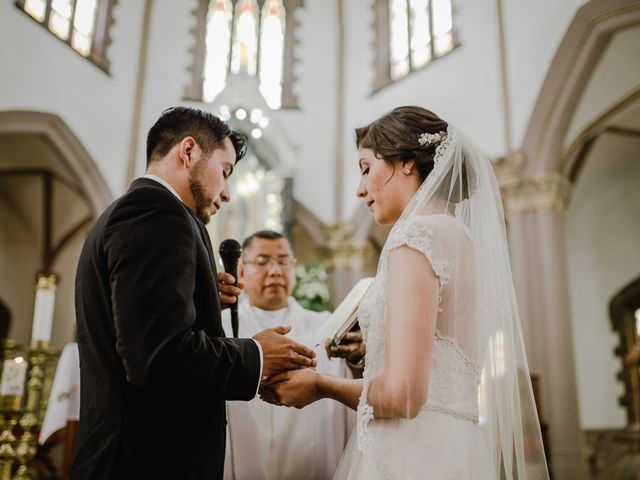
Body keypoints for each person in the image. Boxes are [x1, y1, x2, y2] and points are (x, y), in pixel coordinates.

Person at [261, 107, 549, 479]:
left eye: (366, 168)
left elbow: (404, 397)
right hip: (458, 446)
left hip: (413, 454)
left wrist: (320, 386)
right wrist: (370, 354)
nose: (360, 189)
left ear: (406, 164)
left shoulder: (414, 240)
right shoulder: (463, 241)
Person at [72, 106, 316, 480]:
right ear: (188, 152)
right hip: (146, 461)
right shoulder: (156, 213)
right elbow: (158, 357)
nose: (229, 193)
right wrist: (257, 353)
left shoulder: (139, 210)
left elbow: (140, 326)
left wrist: (195, 297)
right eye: (225, 171)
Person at [221, 230, 363, 480]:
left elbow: (352, 383)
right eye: (262, 262)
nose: (275, 271)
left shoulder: (324, 325)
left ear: (294, 268)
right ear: (241, 271)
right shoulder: (222, 327)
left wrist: (356, 357)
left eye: (283, 261)